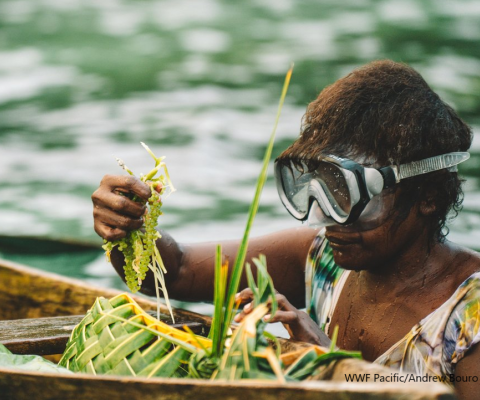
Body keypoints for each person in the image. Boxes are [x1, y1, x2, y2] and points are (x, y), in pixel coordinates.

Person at [92, 60, 480, 398]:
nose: (328, 216)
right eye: (319, 190)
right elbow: (175, 271)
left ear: (427, 196)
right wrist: (129, 227)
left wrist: (327, 362)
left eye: (351, 197)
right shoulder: (322, 260)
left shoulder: (469, 317)